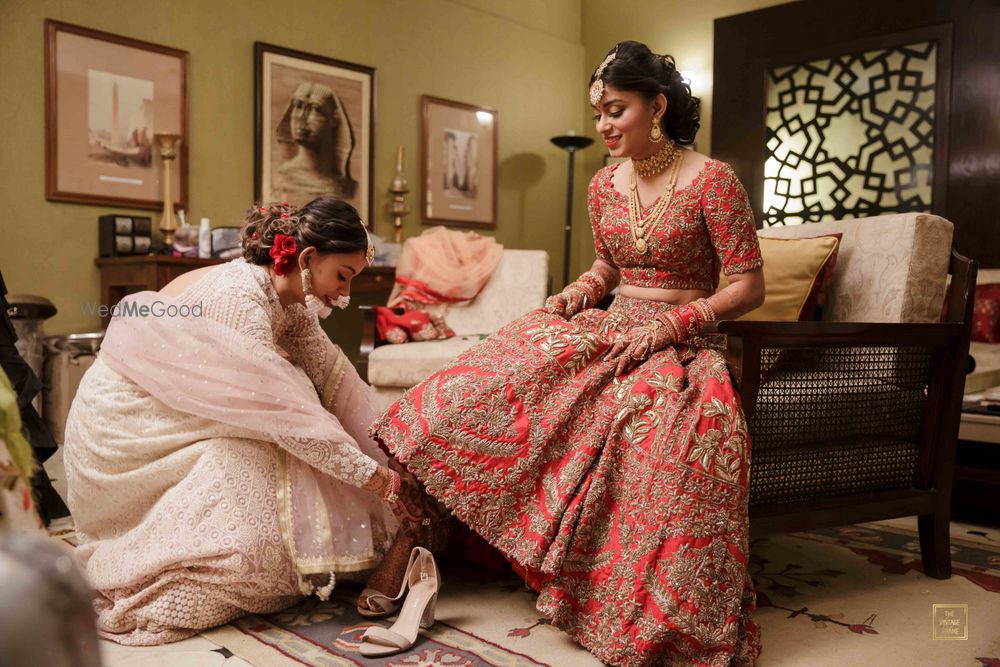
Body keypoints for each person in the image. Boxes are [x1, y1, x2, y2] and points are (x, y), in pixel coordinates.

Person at [369, 41, 765, 666]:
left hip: (684, 342)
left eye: (616, 110)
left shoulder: (713, 180)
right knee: (488, 379)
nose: (604, 126)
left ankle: (620, 600)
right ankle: (423, 530)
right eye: (598, 114)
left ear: (657, 106)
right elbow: (607, 266)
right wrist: (575, 294)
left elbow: (746, 284)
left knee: (657, 422)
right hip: (610, 326)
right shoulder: (604, 183)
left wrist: (677, 324)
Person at [63, 197, 429, 645]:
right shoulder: (240, 301)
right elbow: (292, 423)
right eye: (343, 276)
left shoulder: (291, 302)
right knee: (260, 486)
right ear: (307, 259)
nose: (345, 295)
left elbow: (338, 383)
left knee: (303, 410)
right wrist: (384, 483)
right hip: (127, 424)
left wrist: (400, 453)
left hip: (179, 410)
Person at [273, 82, 358, 205]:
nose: (302, 117)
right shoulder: (281, 179)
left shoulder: (347, 188)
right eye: (298, 106)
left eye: (316, 108)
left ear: (333, 120)